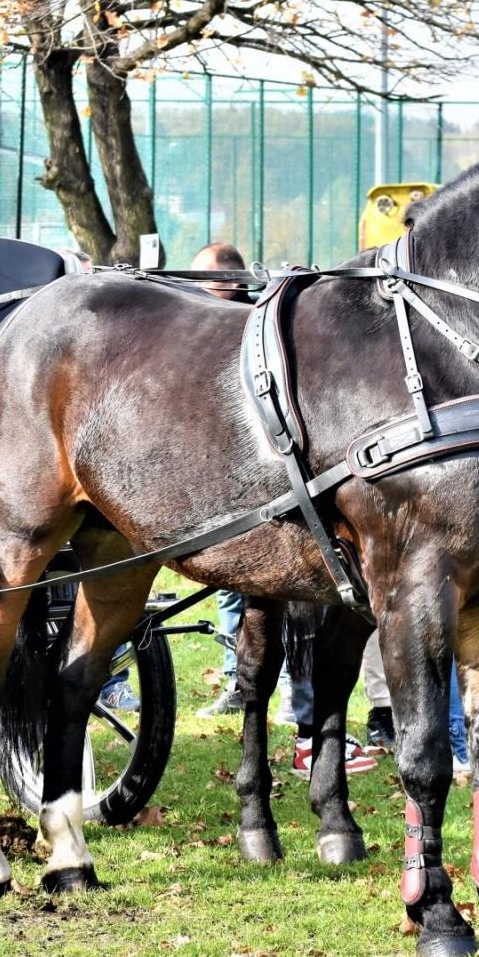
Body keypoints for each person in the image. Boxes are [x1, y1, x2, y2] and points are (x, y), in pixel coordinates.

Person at [193, 242, 255, 717]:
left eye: (202, 280)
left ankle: (287, 695)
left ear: (232, 284)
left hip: (255, 484)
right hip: (217, 482)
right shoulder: (196, 331)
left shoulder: (253, 331)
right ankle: (237, 681)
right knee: (230, 593)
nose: (192, 290)